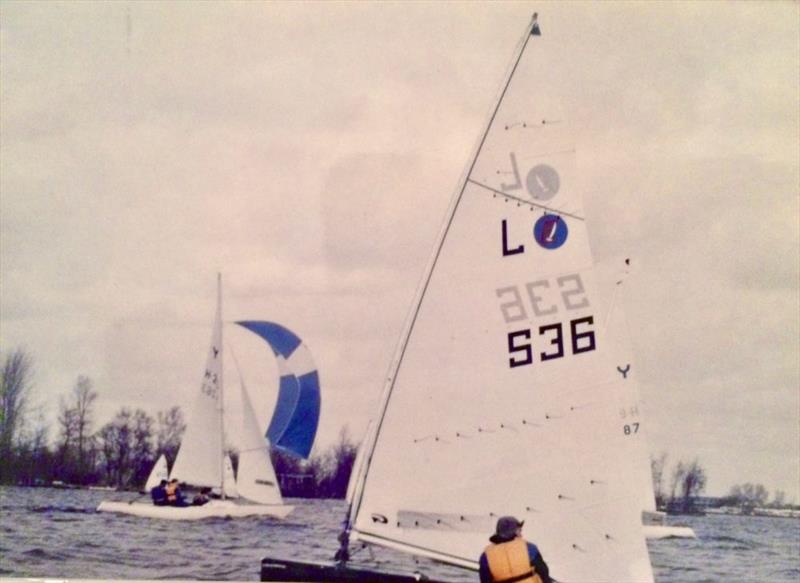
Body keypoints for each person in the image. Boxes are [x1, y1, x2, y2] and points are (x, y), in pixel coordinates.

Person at [479, 516, 551, 583]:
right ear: (515, 532)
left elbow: (485, 580)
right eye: (519, 530)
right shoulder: (528, 547)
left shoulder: (486, 556)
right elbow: (543, 571)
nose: (521, 534)